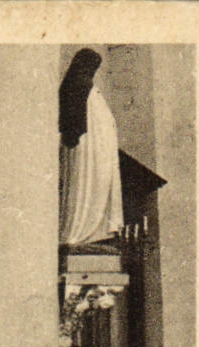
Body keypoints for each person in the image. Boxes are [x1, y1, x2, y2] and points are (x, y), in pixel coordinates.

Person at [58, 48, 125, 247]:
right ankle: (81, 231)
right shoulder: (79, 85)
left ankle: (93, 231)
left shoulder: (85, 86)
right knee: (87, 186)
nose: (94, 72)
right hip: (87, 150)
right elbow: (74, 125)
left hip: (98, 151)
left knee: (97, 186)